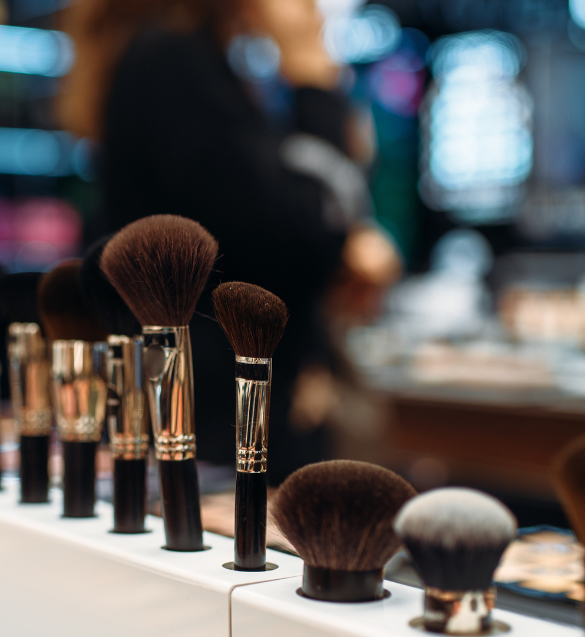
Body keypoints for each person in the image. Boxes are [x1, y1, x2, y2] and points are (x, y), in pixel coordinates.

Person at [61, 0, 391, 482]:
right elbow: (293, 236)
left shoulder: (183, 61)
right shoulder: (174, 61)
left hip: (210, 410)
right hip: (217, 424)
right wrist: (312, 81)